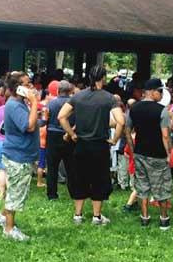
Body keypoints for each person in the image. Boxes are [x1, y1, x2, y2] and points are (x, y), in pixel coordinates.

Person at [58, 65, 125, 226]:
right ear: (103, 78)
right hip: (99, 145)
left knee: (79, 177)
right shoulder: (109, 98)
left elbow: (61, 116)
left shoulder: (78, 96)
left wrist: (72, 134)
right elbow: (121, 121)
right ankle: (96, 216)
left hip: (80, 144)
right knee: (99, 178)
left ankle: (78, 215)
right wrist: (115, 139)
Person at [0, 71, 39, 242]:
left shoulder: (19, 103)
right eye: (27, 84)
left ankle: (1, 217)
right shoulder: (14, 105)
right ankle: (9, 229)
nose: (31, 87)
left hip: (22, 154)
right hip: (18, 156)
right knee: (16, 194)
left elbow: (30, 123)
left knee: (16, 191)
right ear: (17, 88)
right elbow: (29, 127)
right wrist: (34, 104)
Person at [124, 78, 173, 230]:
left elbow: (127, 131)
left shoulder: (134, 109)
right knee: (162, 188)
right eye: (160, 91)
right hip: (158, 154)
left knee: (142, 187)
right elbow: (165, 135)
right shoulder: (162, 110)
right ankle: (164, 219)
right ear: (152, 92)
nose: (161, 95)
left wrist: (132, 149)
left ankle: (145, 218)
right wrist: (169, 153)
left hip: (139, 153)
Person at [45, 80, 75, 200]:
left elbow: (44, 121)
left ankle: (52, 194)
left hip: (52, 135)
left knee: (52, 166)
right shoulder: (73, 104)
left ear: (58, 91)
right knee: (71, 167)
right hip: (69, 134)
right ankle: (74, 192)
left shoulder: (50, 104)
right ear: (70, 91)